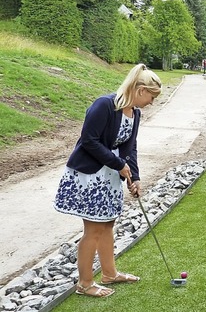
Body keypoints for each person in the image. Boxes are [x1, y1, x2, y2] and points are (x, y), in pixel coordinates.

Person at [54, 63, 162, 298]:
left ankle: (109, 273)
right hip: (90, 175)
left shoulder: (135, 113)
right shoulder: (105, 104)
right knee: (93, 229)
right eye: (151, 97)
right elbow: (89, 140)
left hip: (109, 176)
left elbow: (129, 148)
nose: (152, 102)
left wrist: (135, 177)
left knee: (107, 224)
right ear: (140, 89)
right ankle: (84, 283)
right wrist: (118, 165)